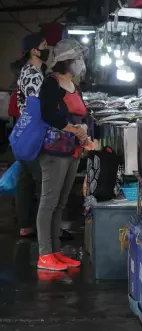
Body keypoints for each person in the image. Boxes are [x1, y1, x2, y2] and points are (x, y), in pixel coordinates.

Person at [36, 39, 88, 271]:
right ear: (67, 60)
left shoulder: (73, 84)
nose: (81, 63)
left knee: (61, 203)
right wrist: (72, 129)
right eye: (77, 59)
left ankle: (56, 251)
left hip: (73, 150)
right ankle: (44, 254)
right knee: (48, 203)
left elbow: (80, 115)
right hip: (53, 150)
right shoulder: (51, 83)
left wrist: (85, 135)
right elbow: (47, 114)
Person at [11, 33, 49, 237]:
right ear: (34, 50)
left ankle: (25, 225)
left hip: (23, 131)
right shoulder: (33, 75)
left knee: (25, 180)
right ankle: (43, 227)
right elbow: (38, 106)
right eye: (44, 45)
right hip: (33, 132)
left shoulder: (28, 71)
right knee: (42, 180)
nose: (47, 47)